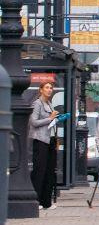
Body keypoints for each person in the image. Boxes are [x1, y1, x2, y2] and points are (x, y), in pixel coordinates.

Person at [29, 81, 61, 210]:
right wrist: (50, 118)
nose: (49, 90)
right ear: (41, 90)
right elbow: (34, 122)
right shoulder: (37, 104)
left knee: (49, 171)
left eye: (51, 88)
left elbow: (52, 121)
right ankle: (36, 201)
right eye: (47, 87)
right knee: (40, 170)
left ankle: (46, 201)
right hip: (41, 140)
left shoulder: (49, 103)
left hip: (51, 140)